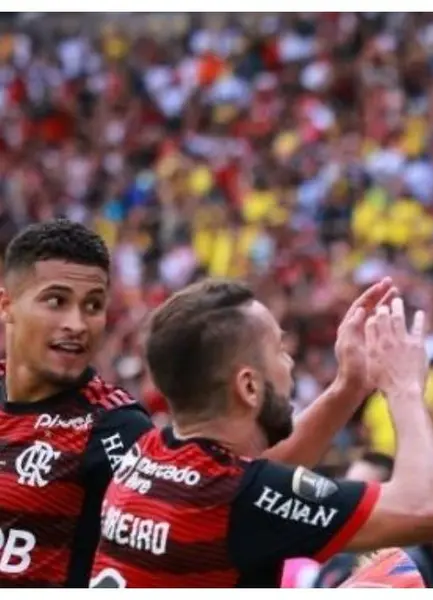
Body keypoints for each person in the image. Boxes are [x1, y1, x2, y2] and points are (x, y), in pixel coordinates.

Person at [0, 219, 393, 587]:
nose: (77, 324)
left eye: (93, 305)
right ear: (7, 306)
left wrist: (348, 389)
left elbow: (239, 485)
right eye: (56, 301)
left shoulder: (113, 429)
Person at [88, 281, 433, 587]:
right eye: (279, 350)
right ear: (249, 386)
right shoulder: (233, 498)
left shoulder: (150, 451)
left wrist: (350, 384)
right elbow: (425, 510)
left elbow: (256, 476)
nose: (290, 362)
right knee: (395, 578)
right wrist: (405, 388)